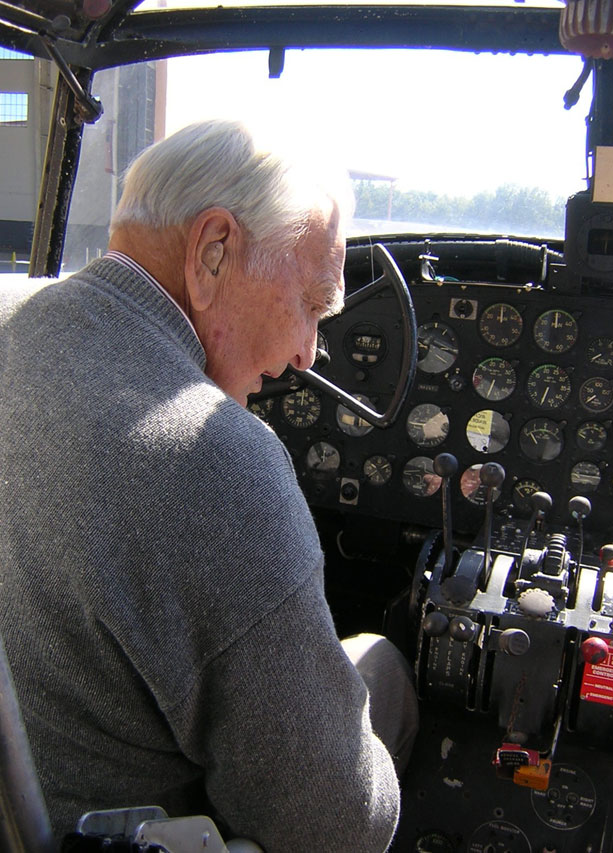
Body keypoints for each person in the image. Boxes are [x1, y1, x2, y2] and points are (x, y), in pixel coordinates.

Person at [0, 119, 417, 851]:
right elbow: (336, 829)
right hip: (126, 833)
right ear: (212, 251)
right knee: (385, 662)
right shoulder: (214, 456)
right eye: (312, 305)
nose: (305, 354)